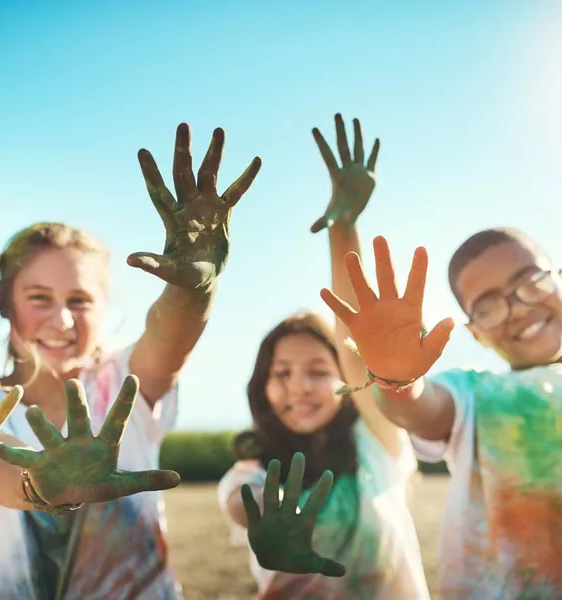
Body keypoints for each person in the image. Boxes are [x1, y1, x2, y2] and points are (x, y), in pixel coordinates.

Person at [0, 122, 262, 600]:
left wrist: (195, 290)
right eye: (39, 297)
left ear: (104, 307)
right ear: (4, 301)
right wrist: (44, 489)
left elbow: (171, 331)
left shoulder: (124, 382)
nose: (61, 319)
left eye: (80, 300)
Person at [321, 180, 562, 599]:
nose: (520, 309)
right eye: (488, 306)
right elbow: (417, 409)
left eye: (533, 282)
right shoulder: (472, 393)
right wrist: (397, 380)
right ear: (474, 334)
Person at [217, 115, 430, 599]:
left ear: (347, 382)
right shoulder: (251, 469)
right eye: (282, 373)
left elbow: (356, 340)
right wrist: (263, 520)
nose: (300, 387)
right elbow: (238, 503)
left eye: (318, 371)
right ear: (261, 386)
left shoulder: (377, 442)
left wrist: (345, 229)